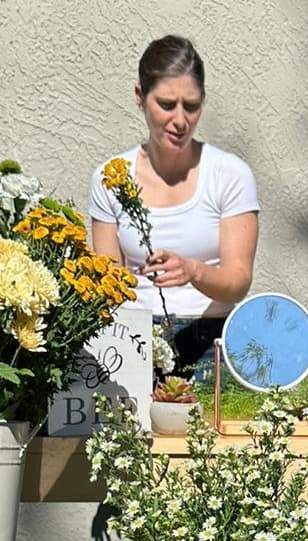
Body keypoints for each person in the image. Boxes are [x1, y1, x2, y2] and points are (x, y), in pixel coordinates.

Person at [89, 35, 260, 377]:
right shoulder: (112, 177)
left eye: (191, 106)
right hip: (133, 341)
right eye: (167, 105)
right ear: (140, 97)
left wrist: (193, 271)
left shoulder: (228, 174)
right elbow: (105, 282)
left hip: (209, 342)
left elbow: (238, 281)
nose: (180, 120)